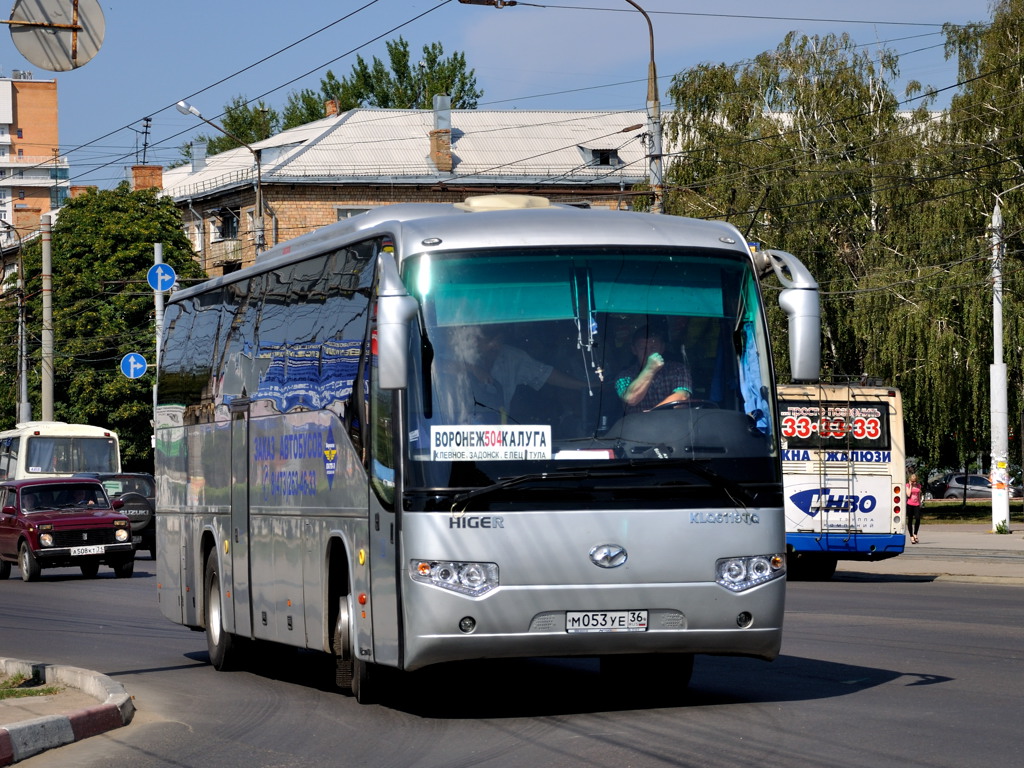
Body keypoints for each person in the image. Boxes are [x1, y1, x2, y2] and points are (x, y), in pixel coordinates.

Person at [451, 326, 585, 421]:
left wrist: (586, 386)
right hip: (456, 425)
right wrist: (472, 368)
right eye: (490, 341)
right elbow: (437, 366)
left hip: (499, 427)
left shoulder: (511, 357)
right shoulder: (457, 352)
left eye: (499, 340)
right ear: (476, 339)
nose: (496, 346)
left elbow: (546, 374)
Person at [615, 323, 693, 414]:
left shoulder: (677, 369)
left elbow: (682, 397)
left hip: (672, 425)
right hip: (637, 426)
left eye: (653, 347)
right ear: (634, 350)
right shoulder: (624, 376)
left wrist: (653, 414)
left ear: (662, 348)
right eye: (643, 348)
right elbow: (631, 399)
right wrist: (650, 369)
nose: (648, 352)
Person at [905, 473, 923, 544]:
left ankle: (915, 534)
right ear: (910, 480)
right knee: (910, 520)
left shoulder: (919, 486)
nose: (914, 482)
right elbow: (908, 494)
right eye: (912, 481)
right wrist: (910, 486)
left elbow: (918, 494)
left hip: (916, 504)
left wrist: (920, 503)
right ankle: (911, 536)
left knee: (918, 518)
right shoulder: (908, 485)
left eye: (915, 481)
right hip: (910, 504)